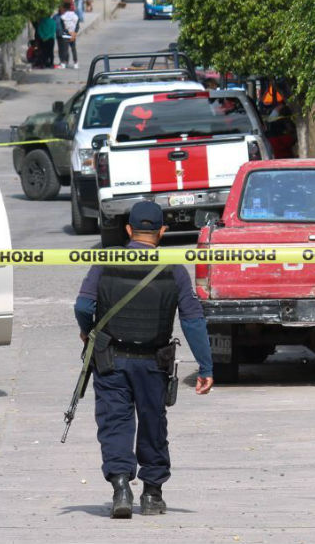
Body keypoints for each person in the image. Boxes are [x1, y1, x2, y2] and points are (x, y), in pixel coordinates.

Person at [74, 201, 214, 519]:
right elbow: (192, 321)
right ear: (162, 231)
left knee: (115, 424)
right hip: (153, 363)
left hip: (111, 360)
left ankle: (121, 487)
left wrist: (88, 332)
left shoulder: (105, 262)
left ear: (128, 230)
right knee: (153, 423)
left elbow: (83, 306)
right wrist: (205, 366)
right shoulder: (174, 268)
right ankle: (152, 494)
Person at [58, 3, 80, 70]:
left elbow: (62, 27)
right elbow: (77, 26)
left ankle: (64, 63)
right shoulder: (75, 16)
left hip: (66, 33)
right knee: (73, 49)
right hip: (73, 33)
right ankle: (75, 63)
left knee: (65, 49)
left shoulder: (63, 17)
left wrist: (67, 33)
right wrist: (75, 32)